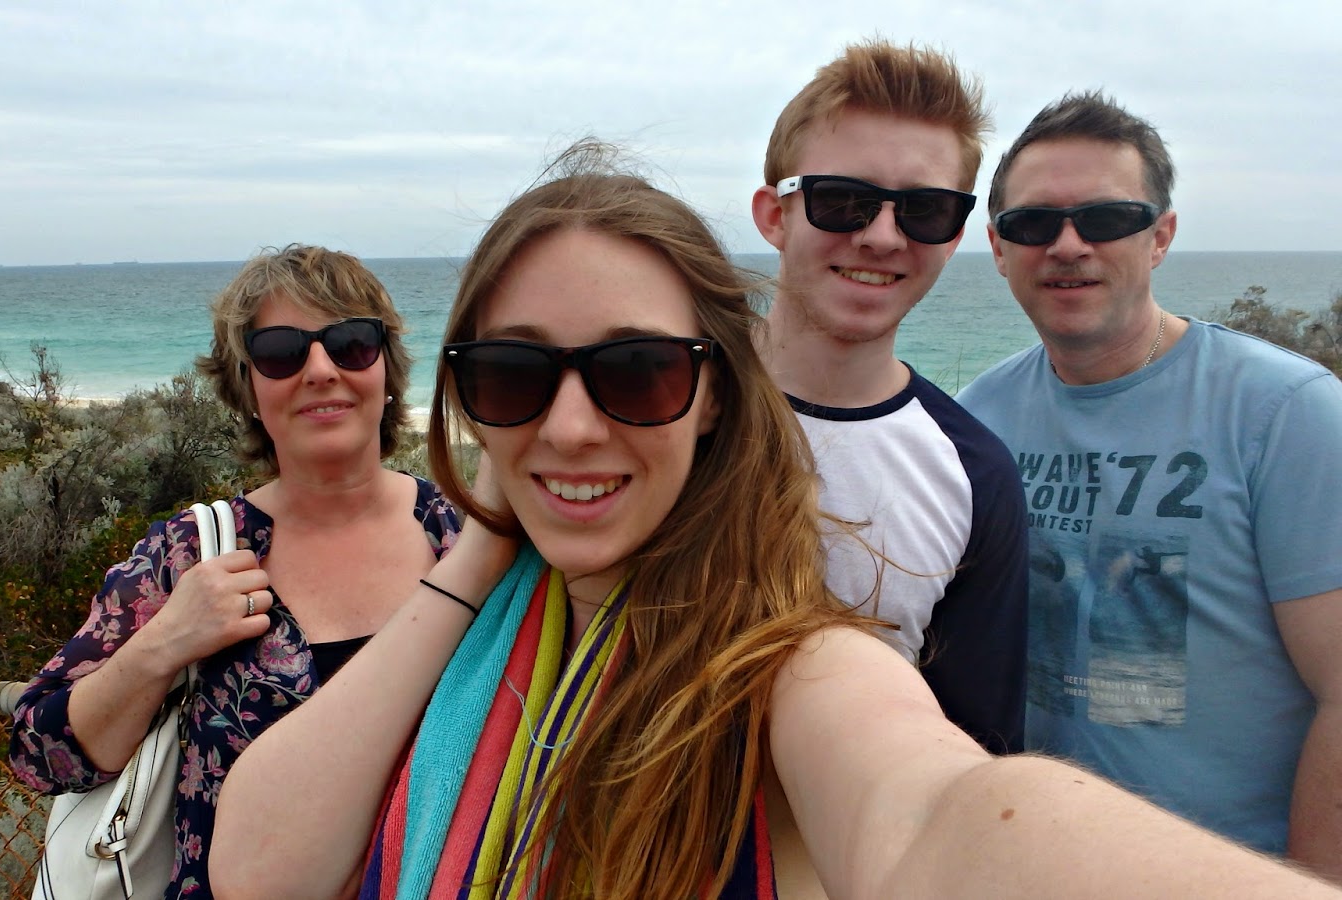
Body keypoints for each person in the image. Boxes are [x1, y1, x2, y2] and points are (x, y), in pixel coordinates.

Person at [209, 145, 1342, 899]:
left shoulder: (790, 664)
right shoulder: (476, 621)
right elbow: (259, 869)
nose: (569, 428)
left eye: (638, 371)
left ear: (713, 395)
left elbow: (933, 814)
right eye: (513, 374)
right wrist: (482, 549)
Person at [957, 91, 1342, 878]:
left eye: (1105, 219)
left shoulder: (1285, 414)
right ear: (998, 247)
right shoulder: (977, 419)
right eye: (1034, 223)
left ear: (1159, 236)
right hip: (1032, 865)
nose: (1068, 245)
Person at [8, 245, 461, 898]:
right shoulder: (192, 553)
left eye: (351, 343)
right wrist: (166, 642)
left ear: (386, 368)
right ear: (247, 388)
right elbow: (38, 754)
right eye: (281, 352)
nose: (321, 370)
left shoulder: (461, 538)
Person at [751, 39, 1028, 753]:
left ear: (955, 235)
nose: (881, 236)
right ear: (775, 215)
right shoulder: (659, 398)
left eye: (925, 210)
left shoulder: (974, 474)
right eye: (843, 201)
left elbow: (968, 753)